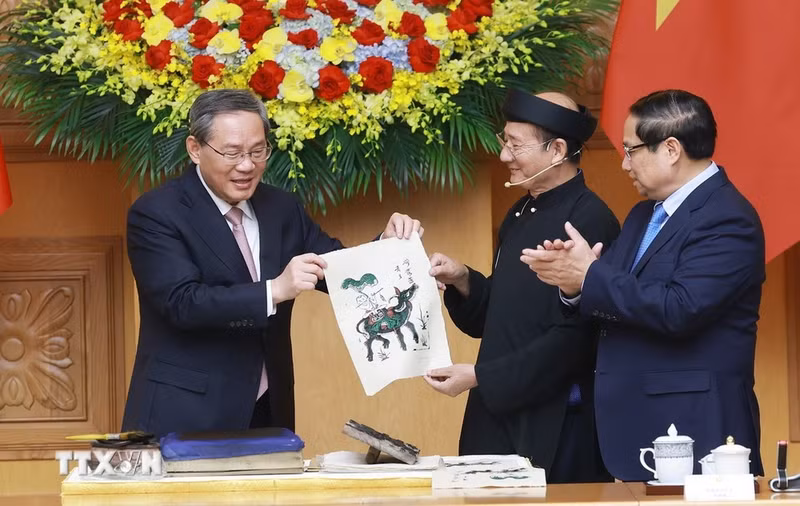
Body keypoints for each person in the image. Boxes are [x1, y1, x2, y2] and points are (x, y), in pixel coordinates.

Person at [121, 89, 423, 437]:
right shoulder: (157, 213)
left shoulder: (281, 208)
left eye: (257, 151)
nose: (247, 165)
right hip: (187, 412)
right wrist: (275, 290)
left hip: (268, 408)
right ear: (195, 149)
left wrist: (387, 245)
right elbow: (182, 303)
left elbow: (337, 270)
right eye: (232, 153)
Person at [521, 89, 765, 480]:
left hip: (694, 429)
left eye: (631, 150)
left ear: (671, 149)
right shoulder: (642, 215)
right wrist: (572, 282)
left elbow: (681, 309)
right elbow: (609, 292)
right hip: (638, 427)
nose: (624, 164)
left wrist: (589, 275)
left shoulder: (727, 218)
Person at [424, 90, 620, 483]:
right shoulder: (519, 212)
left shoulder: (591, 219)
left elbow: (577, 338)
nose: (504, 156)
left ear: (557, 149)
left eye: (515, 145)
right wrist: (463, 278)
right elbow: (495, 316)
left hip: (556, 420)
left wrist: (482, 377)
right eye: (504, 141)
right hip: (495, 413)